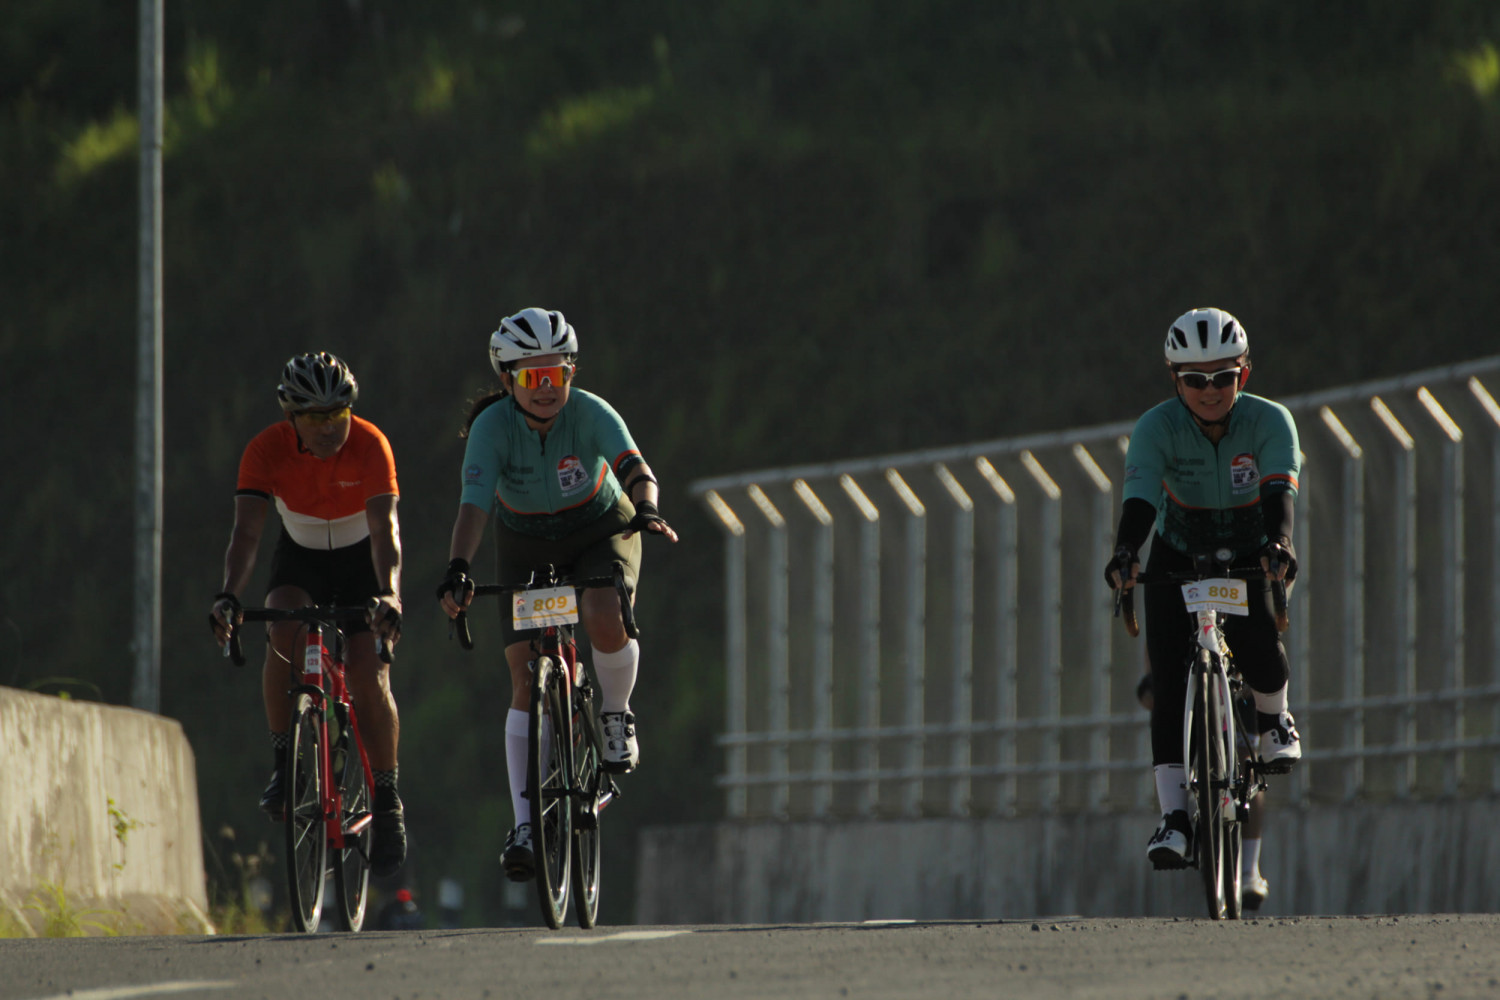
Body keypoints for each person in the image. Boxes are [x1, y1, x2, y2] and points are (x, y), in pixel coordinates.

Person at [435, 307, 678, 883]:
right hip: (524, 540)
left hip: (600, 528)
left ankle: (614, 713)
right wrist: (458, 568)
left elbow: (636, 468)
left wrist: (646, 508)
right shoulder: (492, 429)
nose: (547, 388)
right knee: (524, 677)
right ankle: (524, 826)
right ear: (507, 380)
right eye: (532, 377)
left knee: (600, 609)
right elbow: (473, 507)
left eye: (557, 374)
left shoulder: (590, 412)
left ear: (571, 373)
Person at [1104, 307, 1301, 873]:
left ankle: (1276, 719)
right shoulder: (1156, 428)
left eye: (1223, 377)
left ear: (1244, 373)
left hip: (1248, 546)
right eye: (1195, 379)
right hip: (1178, 550)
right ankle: (1175, 818)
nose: (1210, 390)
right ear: (1175, 379)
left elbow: (1279, 494)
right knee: (1168, 683)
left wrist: (1280, 543)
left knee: (1259, 642)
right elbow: (1140, 499)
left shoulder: (1270, 421)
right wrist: (1126, 552)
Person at [209, 352, 407, 878]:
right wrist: (229, 594)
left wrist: (390, 594)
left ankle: (387, 799)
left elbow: (385, 529)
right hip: (300, 560)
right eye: (315, 418)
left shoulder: (370, 443)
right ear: (289, 417)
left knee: (367, 674)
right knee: (281, 631)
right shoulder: (265, 449)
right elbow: (247, 533)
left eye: (337, 415)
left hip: (363, 563)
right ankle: (285, 766)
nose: (328, 428)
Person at [1136, 669, 1271, 909]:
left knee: (1246, 763)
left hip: (1234, 674)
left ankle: (1249, 869)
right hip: (1190, 671)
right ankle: (1178, 818)